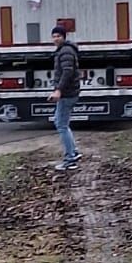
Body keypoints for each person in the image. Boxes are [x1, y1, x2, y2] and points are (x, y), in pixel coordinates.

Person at [49, 21, 82, 171]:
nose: (56, 39)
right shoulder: (64, 50)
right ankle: (73, 152)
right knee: (61, 122)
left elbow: (67, 72)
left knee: (61, 125)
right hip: (68, 93)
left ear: (64, 37)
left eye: (58, 36)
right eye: (54, 36)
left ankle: (70, 159)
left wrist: (58, 90)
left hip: (67, 93)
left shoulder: (66, 52)